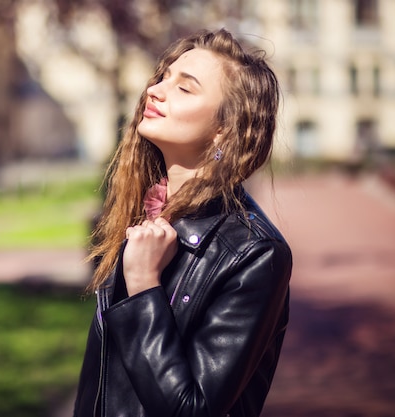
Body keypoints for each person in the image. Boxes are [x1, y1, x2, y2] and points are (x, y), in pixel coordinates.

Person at [73, 28, 292, 417]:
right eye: (163, 77)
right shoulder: (143, 212)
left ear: (226, 126)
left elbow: (193, 409)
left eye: (185, 89)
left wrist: (143, 288)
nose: (155, 90)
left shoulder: (254, 253)